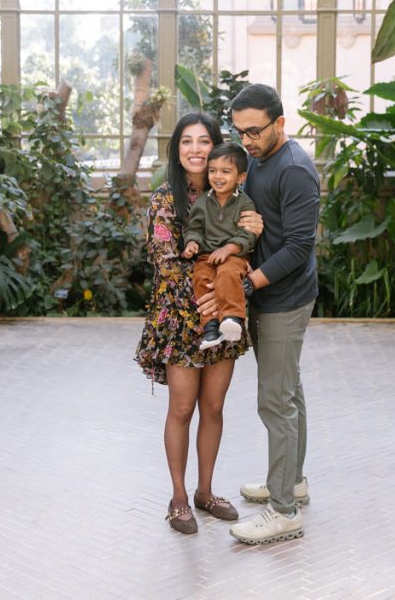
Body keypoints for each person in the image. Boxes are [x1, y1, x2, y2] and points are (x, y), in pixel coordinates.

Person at [134, 112, 263, 535]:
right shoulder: (164, 200)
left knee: (213, 407)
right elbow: (167, 263)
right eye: (186, 141)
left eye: (203, 141)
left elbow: (248, 250)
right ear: (177, 149)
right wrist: (208, 295)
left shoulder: (234, 196)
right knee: (182, 407)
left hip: (221, 317)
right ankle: (178, 497)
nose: (195, 149)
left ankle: (205, 491)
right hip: (180, 316)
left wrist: (253, 234)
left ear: (216, 147)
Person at [203, 84, 321, 545]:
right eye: (240, 131)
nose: (246, 141)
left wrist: (246, 284)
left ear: (280, 123)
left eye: (254, 131)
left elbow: (299, 247)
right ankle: (292, 482)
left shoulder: (295, 170)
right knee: (289, 390)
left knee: (275, 401)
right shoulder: (257, 160)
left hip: (285, 300)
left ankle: (284, 511)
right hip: (267, 296)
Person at [181, 143, 256, 351]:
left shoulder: (245, 204)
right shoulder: (202, 202)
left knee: (227, 274)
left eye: (225, 171)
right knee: (201, 278)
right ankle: (211, 328)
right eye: (213, 171)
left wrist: (229, 249)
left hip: (234, 255)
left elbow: (248, 234)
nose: (217, 176)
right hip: (207, 256)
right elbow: (194, 228)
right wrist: (192, 242)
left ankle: (233, 318)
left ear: (241, 177)